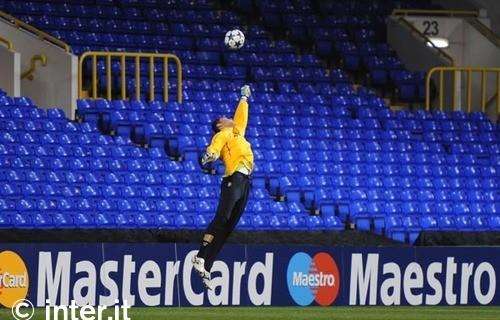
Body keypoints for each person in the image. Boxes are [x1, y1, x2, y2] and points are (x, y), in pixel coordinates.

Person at [192, 85, 254, 289]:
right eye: (226, 117)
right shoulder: (224, 134)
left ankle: (206, 266)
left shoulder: (237, 132)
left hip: (245, 181)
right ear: (220, 124)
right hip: (233, 179)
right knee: (221, 218)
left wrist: (243, 98)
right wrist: (209, 155)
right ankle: (200, 255)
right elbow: (215, 147)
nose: (230, 118)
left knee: (229, 226)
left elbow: (241, 116)